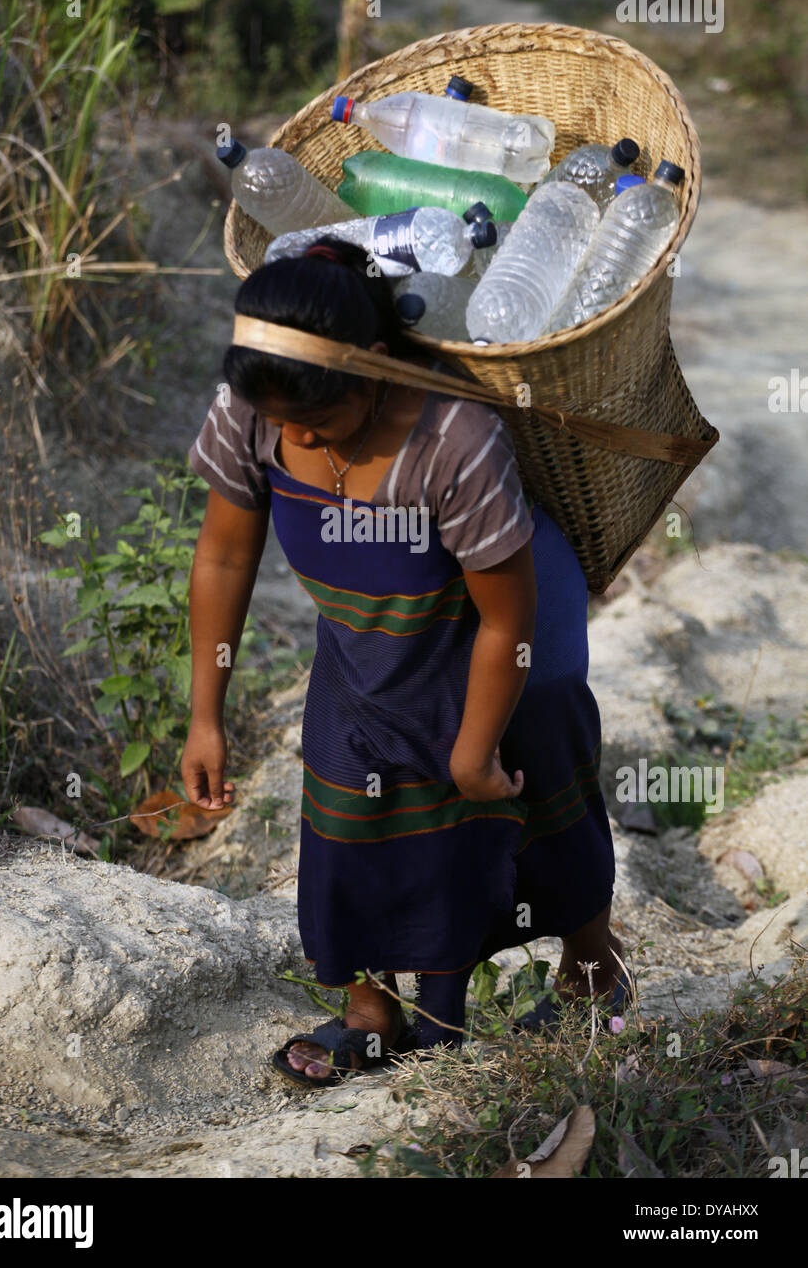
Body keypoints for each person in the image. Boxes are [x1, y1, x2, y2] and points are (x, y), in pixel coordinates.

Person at [182, 237, 628, 1088]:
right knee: (347, 809)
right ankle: (371, 1008)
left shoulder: (453, 437)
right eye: (282, 422)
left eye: (319, 420)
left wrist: (471, 749)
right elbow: (224, 558)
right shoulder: (255, 408)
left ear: (377, 367)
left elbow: (508, 618)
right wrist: (206, 715)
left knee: (536, 799)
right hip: (365, 641)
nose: (298, 435)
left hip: (490, 640)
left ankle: (594, 968)